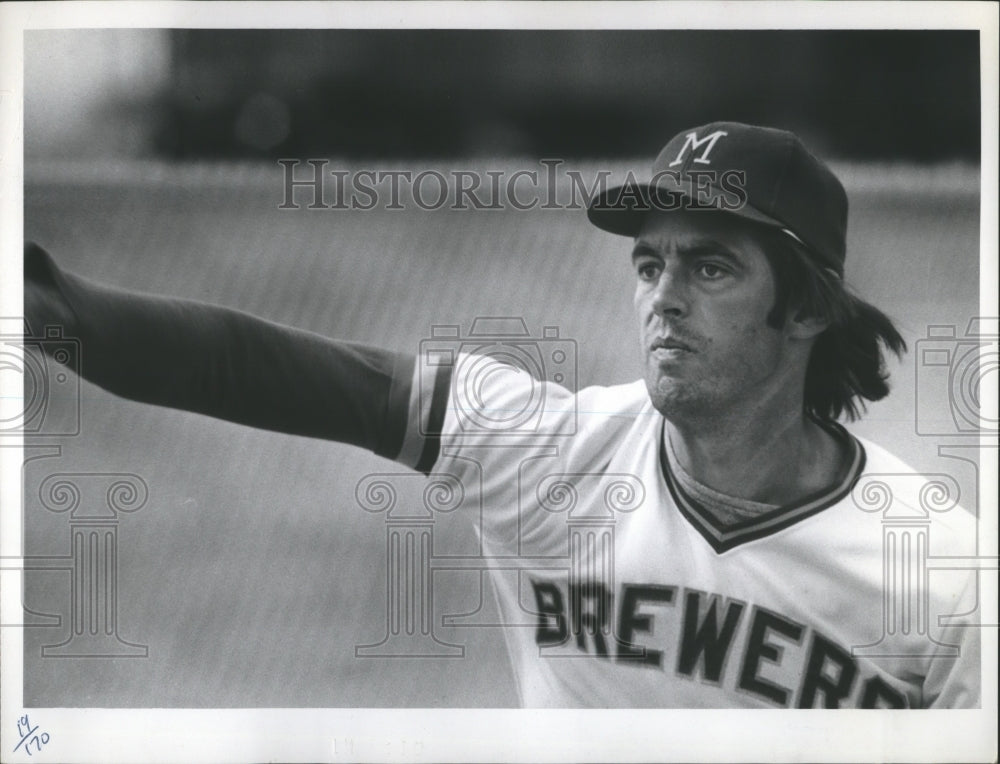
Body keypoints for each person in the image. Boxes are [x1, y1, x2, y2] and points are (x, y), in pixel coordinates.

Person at [23, 121, 980, 708]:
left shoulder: (939, 572)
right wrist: (47, 309)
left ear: (807, 310)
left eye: (712, 267)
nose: (664, 298)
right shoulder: (551, 452)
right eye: (650, 264)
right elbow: (260, 369)